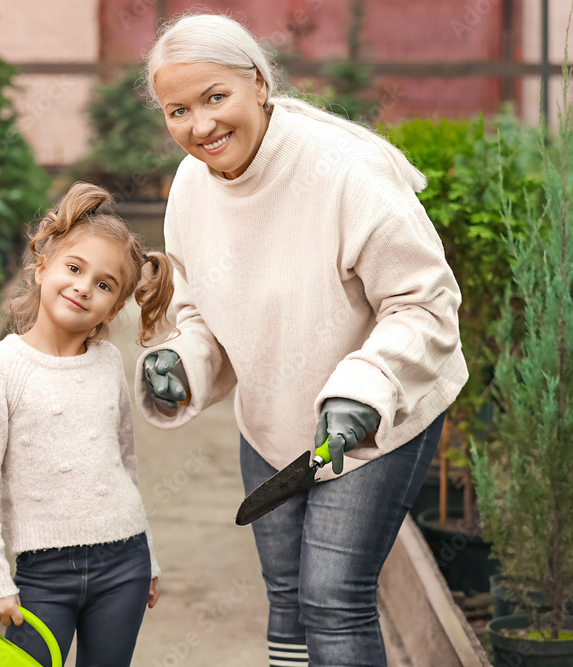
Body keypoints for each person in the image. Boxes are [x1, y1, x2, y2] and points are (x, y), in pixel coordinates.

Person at [135, 13, 468, 667]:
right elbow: (197, 312)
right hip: (271, 418)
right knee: (285, 596)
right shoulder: (189, 191)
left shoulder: (344, 173)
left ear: (258, 83)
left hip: (376, 415)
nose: (200, 126)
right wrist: (178, 362)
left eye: (215, 97)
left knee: (332, 596)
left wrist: (364, 387)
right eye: (178, 110)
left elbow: (425, 305)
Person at [0, 182, 175, 667]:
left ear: (115, 307)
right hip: (42, 575)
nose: (83, 287)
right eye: (74, 268)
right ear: (42, 266)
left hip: (125, 564)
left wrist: (150, 556)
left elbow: (123, 464)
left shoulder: (109, 362)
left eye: (104, 284)